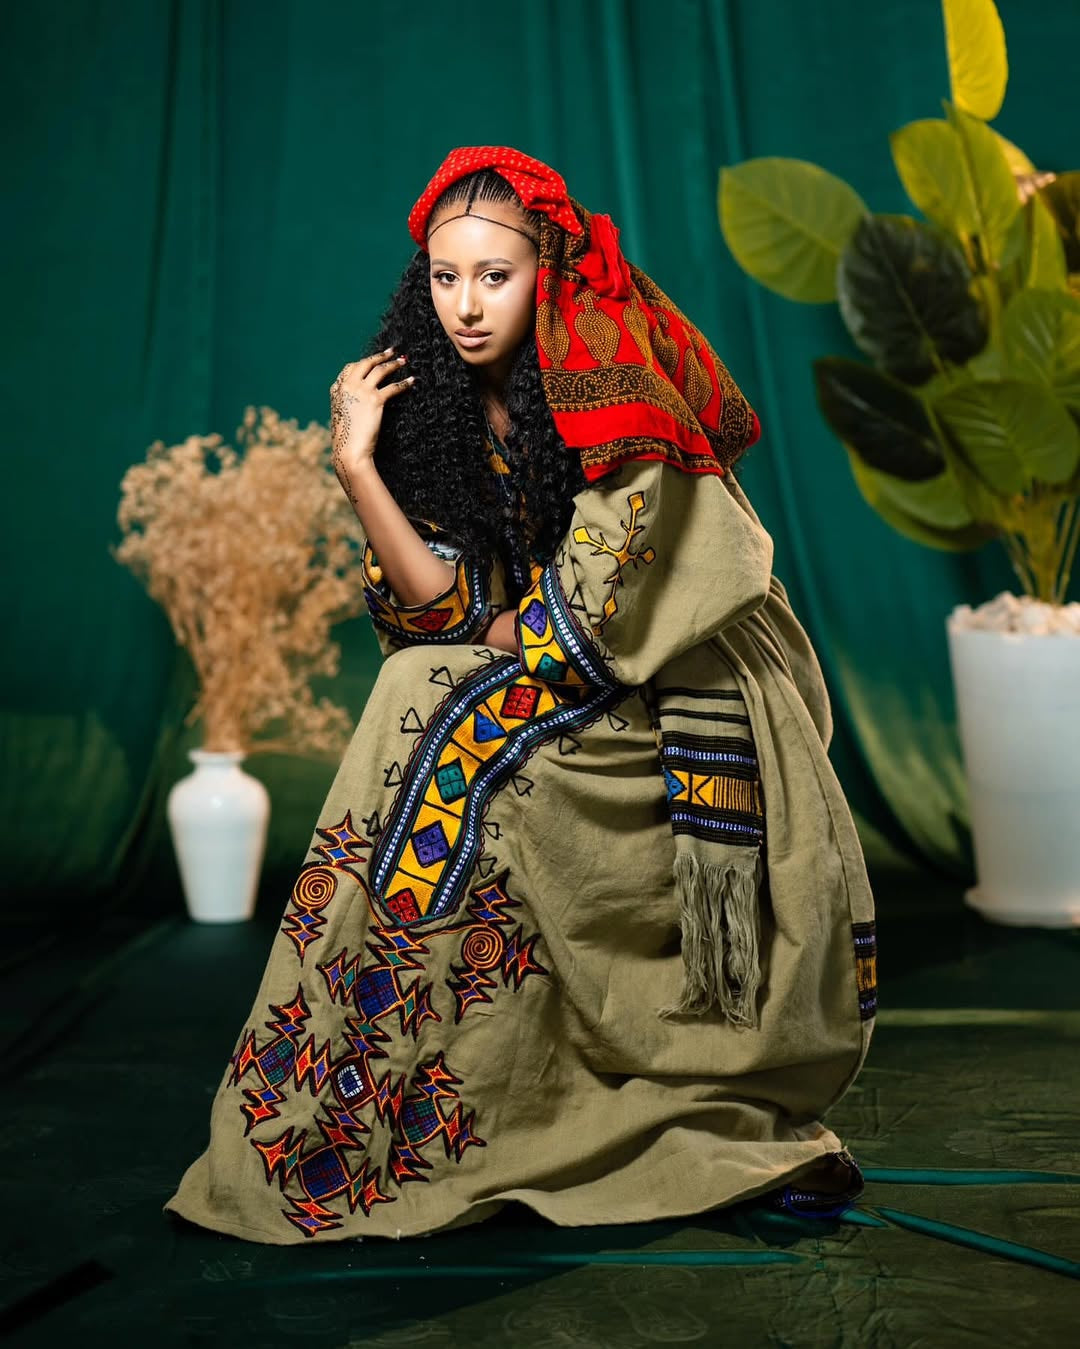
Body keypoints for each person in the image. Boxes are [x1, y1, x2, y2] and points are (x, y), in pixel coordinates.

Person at [165, 146, 876, 1244]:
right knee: (421, 686)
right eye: (444, 277)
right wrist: (358, 467)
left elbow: (588, 628)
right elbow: (435, 615)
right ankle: (371, 1084)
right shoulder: (447, 406)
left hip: (685, 692)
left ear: (547, 272)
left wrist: (489, 625)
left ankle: (536, 1082)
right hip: (564, 674)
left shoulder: (611, 385)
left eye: (495, 275)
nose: (465, 305)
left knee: (441, 709)